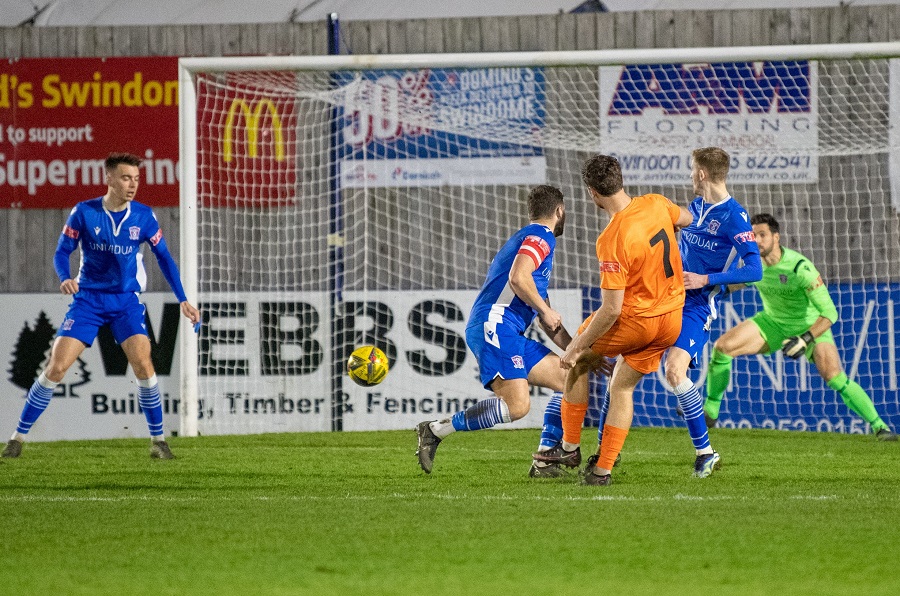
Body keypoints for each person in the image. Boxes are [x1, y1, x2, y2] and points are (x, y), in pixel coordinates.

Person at [1, 152, 201, 460]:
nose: (132, 184)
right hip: (89, 301)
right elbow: (61, 251)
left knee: (144, 366)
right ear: (108, 178)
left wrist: (183, 299)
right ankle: (16, 439)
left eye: (136, 178)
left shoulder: (144, 216)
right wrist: (65, 277)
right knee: (56, 367)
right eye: (125, 178)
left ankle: (159, 442)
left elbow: (165, 258)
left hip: (126, 302)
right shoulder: (84, 212)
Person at [532, 154, 692, 486]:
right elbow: (687, 219)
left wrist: (575, 348)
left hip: (638, 321)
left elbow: (611, 311)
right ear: (620, 178)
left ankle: (569, 447)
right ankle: (601, 471)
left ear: (592, 192)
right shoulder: (656, 203)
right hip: (672, 319)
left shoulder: (612, 238)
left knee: (577, 361)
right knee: (621, 386)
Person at [415, 185, 574, 474]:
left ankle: (543, 461)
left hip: (508, 330)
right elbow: (517, 278)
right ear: (559, 211)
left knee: (570, 378)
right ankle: (436, 430)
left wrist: (577, 350)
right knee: (517, 406)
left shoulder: (530, 243)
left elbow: (546, 319)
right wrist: (547, 310)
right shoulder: (541, 236)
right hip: (496, 324)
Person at [704, 213, 897, 441]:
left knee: (834, 377)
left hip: (811, 328)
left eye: (762, 235)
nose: (756, 240)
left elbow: (830, 313)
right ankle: (710, 411)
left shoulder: (799, 268)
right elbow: (733, 287)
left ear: (776, 237)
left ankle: (880, 427)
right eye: (753, 235)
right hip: (773, 323)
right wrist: (706, 293)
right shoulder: (754, 265)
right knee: (722, 347)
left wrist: (805, 338)